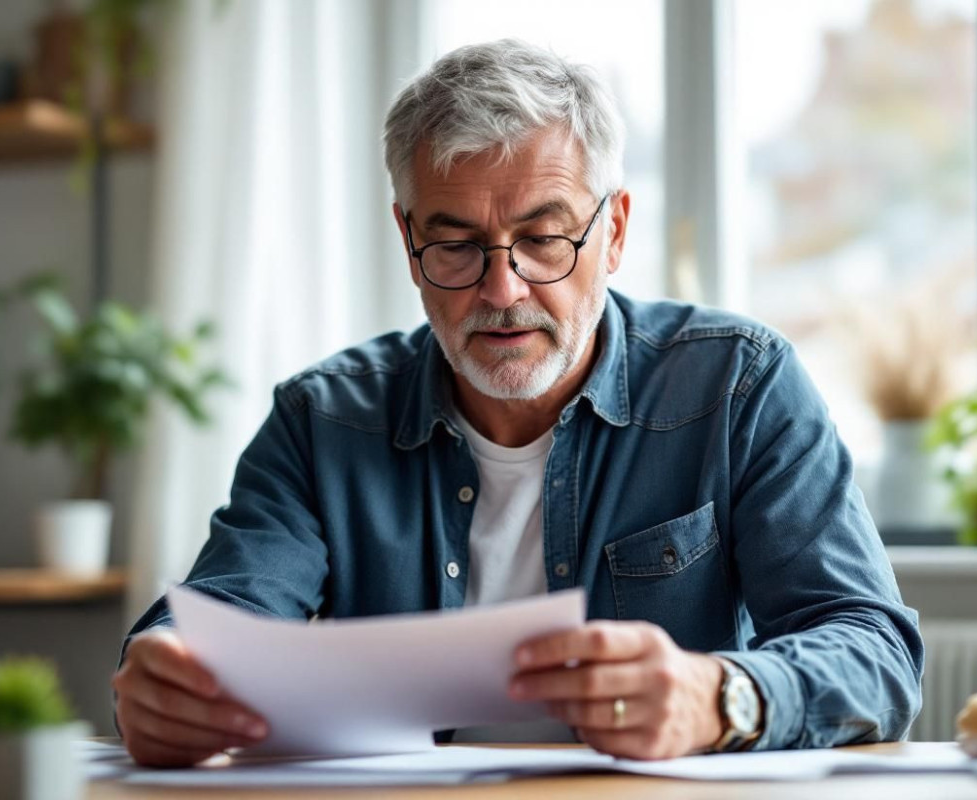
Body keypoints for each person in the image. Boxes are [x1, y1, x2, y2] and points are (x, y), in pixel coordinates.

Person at [112, 39, 923, 768]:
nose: (503, 290)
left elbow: (875, 653)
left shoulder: (738, 386)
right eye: (457, 244)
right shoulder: (323, 422)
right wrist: (164, 672)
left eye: (543, 238)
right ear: (408, 242)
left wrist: (718, 696)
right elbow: (223, 615)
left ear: (613, 234)